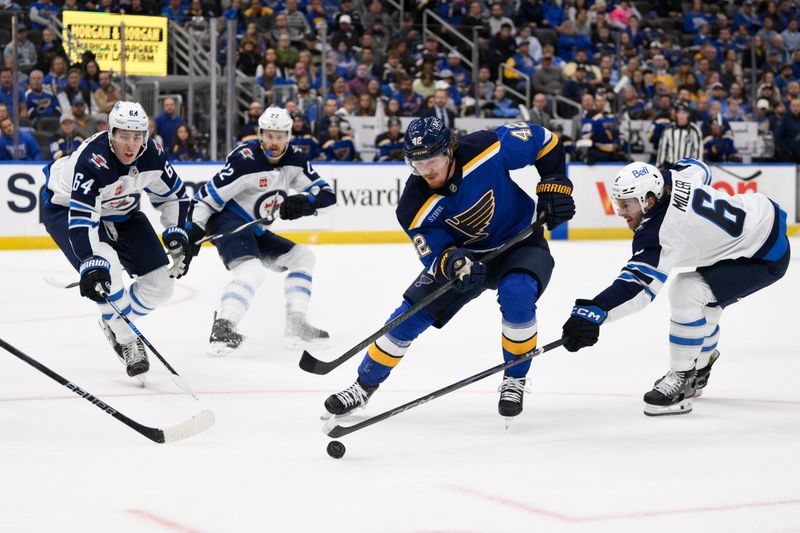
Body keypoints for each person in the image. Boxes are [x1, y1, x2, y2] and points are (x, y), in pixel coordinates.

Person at [323, 116, 575, 421]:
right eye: (417, 163)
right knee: (406, 317)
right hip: (465, 260)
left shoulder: (488, 147)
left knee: (518, 293)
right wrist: (454, 263)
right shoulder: (412, 206)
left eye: (432, 160)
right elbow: (435, 254)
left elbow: (543, 140)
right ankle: (363, 386)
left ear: (449, 150)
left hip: (519, 242)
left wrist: (555, 183)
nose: (426, 170)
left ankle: (515, 378)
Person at [561, 160, 790, 416]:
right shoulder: (671, 177)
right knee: (707, 304)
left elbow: (638, 286)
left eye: (626, 204)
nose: (621, 212)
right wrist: (673, 167)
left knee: (687, 291)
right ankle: (700, 369)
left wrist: (596, 311)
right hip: (761, 214)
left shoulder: (659, 231)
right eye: (618, 204)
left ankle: (683, 377)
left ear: (648, 200)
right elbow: (699, 167)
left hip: (764, 255)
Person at [40, 101, 194, 380]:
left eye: (137, 136)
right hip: (66, 208)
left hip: (120, 208)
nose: (131, 144)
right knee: (106, 269)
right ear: (110, 133)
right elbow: (83, 220)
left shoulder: (153, 155)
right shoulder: (93, 160)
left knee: (161, 287)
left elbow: (176, 196)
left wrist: (178, 231)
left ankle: (112, 320)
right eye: (123, 135)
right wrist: (90, 261)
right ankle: (126, 340)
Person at [188, 107, 336, 354]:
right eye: (268, 135)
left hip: (254, 228)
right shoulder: (244, 161)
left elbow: (328, 198)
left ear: (289, 136)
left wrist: (306, 204)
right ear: (259, 134)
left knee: (303, 257)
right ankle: (223, 328)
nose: (273, 142)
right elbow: (205, 198)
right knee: (252, 272)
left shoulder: (296, 161)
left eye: (279, 136)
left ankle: (296, 324)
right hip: (228, 221)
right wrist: (192, 229)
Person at [656, 103, 703, 167]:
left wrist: (698, 167)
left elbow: (698, 150)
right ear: (676, 114)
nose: (681, 116)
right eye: (679, 113)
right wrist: (659, 166)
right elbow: (662, 149)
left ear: (688, 114)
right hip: (670, 166)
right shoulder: (668, 129)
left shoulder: (694, 130)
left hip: (687, 167)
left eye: (684, 113)